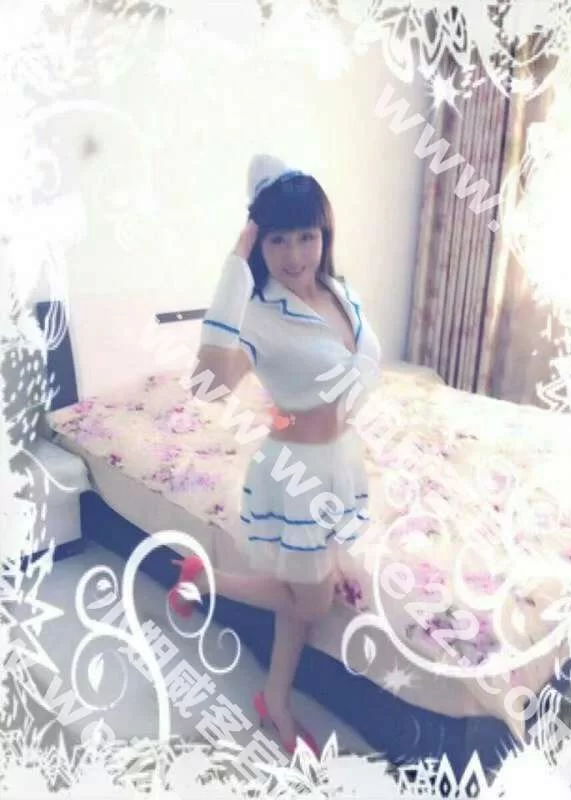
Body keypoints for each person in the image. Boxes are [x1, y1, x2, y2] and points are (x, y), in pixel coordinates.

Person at [169, 154, 381, 756]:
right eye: (277, 239)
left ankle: (275, 700)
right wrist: (234, 269)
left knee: (300, 598)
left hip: (340, 464)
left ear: (324, 233)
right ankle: (202, 578)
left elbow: (360, 367)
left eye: (306, 236)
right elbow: (208, 385)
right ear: (257, 241)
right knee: (312, 599)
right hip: (296, 475)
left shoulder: (340, 292)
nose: (294, 255)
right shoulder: (258, 312)